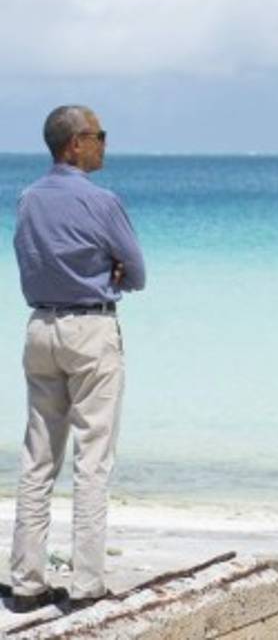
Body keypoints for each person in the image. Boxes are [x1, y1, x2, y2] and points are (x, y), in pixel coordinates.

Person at [6, 106, 145, 613]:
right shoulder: (102, 201)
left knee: (38, 458)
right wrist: (108, 274)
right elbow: (138, 273)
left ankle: (26, 583)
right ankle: (86, 585)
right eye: (98, 135)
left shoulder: (27, 199)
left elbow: (32, 259)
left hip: (40, 327)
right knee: (92, 461)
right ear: (73, 145)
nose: (105, 143)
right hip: (90, 329)